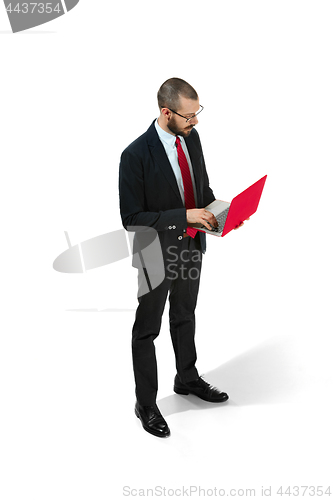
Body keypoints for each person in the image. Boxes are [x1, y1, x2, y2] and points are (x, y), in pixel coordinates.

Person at [119, 78, 244, 438]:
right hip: (154, 253)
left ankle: (186, 378)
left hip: (191, 245)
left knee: (185, 315)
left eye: (197, 113)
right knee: (148, 329)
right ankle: (145, 403)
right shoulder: (135, 155)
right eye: (189, 116)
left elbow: (200, 190)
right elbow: (131, 219)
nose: (196, 122)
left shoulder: (192, 138)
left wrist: (223, 213)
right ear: (166, 112)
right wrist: (183, 215)